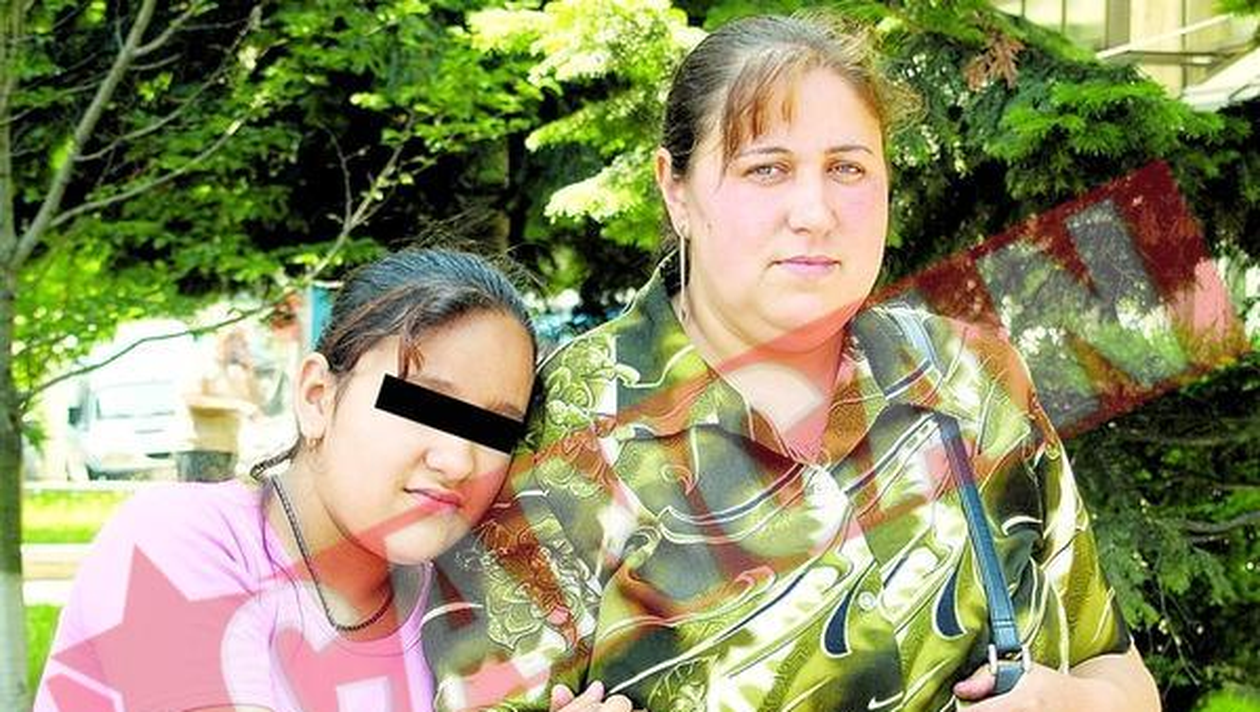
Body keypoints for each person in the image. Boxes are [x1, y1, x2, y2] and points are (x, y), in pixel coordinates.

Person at [425, 13, 1161, 712]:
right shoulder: (559, 435)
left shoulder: (973, 380)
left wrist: (1076, 701)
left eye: (847, 168)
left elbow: (1115, 668)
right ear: (675, 188)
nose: (814, 211)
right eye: (767, 169)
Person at [34, 248, 632, 712]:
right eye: (422, 405)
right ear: (318, 396)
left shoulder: (469, 611)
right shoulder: (172, 542)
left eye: (494, 429)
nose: (458, 459)